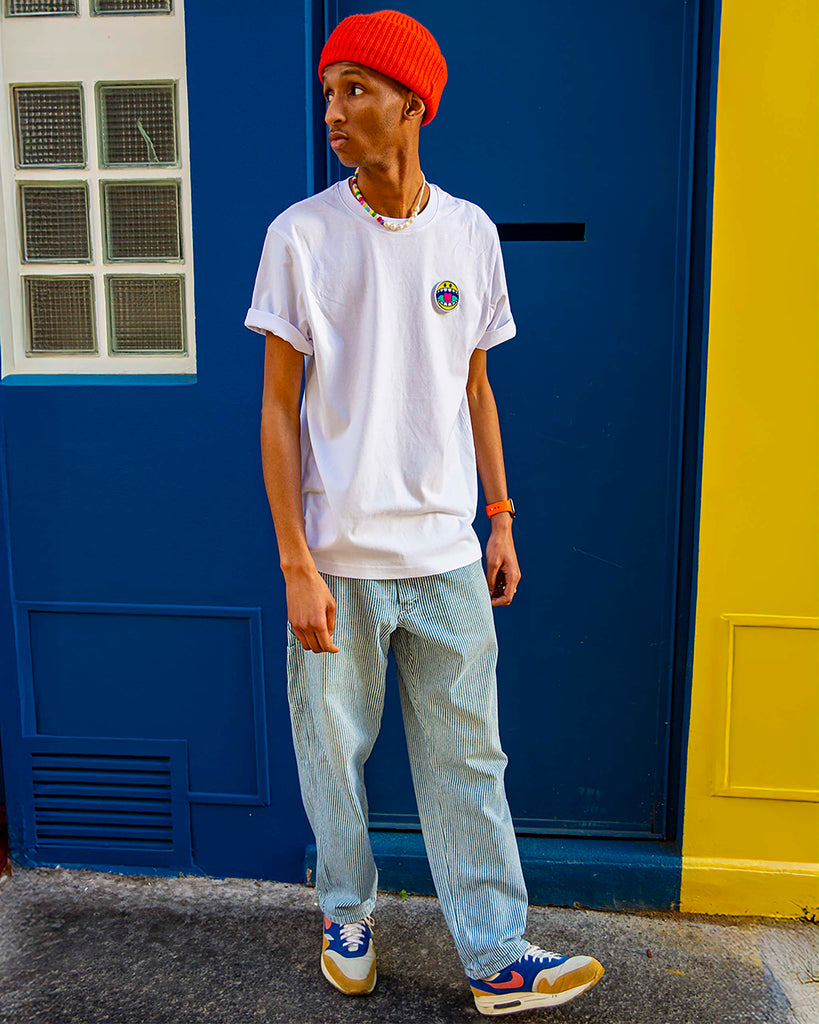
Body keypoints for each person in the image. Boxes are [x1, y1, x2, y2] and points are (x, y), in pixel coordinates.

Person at [244, 8, 605, 1015]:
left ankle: (496, 954)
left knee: (469, 761)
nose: (333, 111)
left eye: (356, 89)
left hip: (446, 555)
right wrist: (295, 562)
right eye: (328, 92)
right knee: (333, 760)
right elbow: (276, 409)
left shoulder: (469, 233)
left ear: (413, 103)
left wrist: (501, 516)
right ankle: (346, 912)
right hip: (338, 559)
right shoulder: (300, 237)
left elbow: (476, 387)